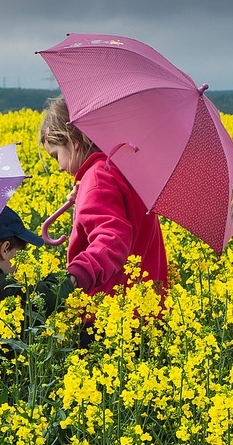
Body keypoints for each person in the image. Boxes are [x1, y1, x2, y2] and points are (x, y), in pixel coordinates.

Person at [39, 95, 168, 301]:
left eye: (56, 156)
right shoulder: (126, 171)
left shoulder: (97, 177)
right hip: (147, 304)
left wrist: (76, 276)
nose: (60, 167)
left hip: (111, 309)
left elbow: (113, 237)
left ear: (73, 142)